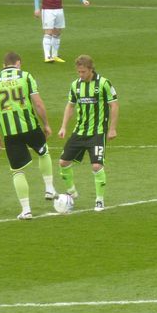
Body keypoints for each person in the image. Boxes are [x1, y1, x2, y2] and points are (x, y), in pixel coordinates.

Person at [0, 52, 56, 220]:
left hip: (10, 133)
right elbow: (38, 103)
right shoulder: (25, 76)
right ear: (18, 63)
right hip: (30, 126)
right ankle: (49, 188)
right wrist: (45, 124)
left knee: (17, 171)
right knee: (43, 152)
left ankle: (26, 210)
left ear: (3, 66)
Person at [58, 56, 119, 211]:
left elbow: (114, 105)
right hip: (79, 131)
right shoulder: (75, 85)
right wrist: (63, 126)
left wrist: (112, 128)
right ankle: (71, 191)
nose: (81, 75)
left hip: (97, 133)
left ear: (91, 69)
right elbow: (70, 106)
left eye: (83, 71)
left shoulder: (104, 83)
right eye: (78, 72)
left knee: (97, 166)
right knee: (63, 162)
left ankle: (99, 200)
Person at [34, 0, 91, 64]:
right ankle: (47, 56)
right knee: (48, 32)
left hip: (59, 9)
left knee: (58, 32)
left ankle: (55, 55)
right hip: (47, 10)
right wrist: (37, 8)